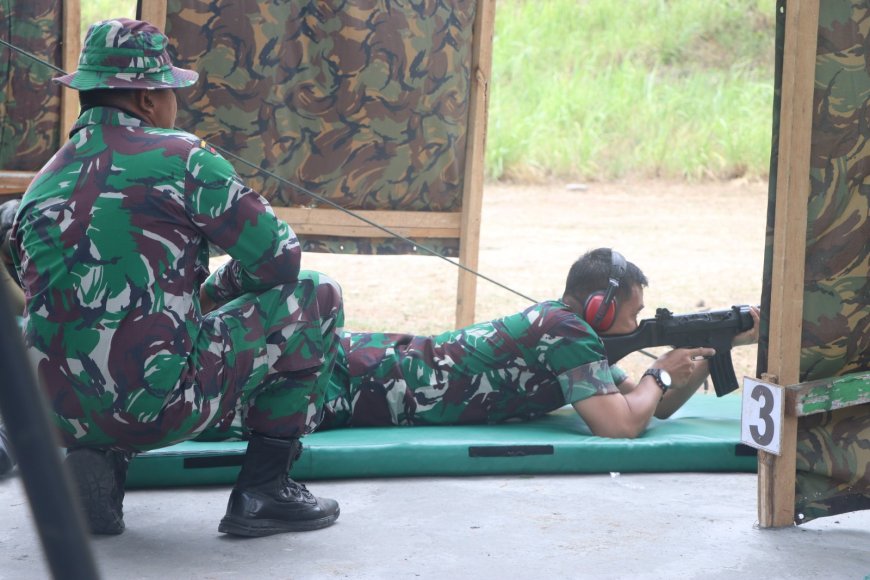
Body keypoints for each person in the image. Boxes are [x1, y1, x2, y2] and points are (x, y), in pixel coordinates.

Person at [10, 18, 344, 537]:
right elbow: (281, 262)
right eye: (170, 92)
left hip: (50, 410)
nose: (173, 105)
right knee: (316, 296)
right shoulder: (184, 157)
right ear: (147, 98)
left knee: (109, 338)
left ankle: (99, 458)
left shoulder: (41, 182)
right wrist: (223, 290)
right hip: (156, 405)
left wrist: (201, 298)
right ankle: (264, 491)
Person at [317, 248, 760, 437]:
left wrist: (714, 347)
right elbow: (620, 426)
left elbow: (651, 405)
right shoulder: (564, 330)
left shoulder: (574, 334)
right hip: (354, 377)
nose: (636, 322)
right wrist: (660, 372)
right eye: (633, 313)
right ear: (600, 309)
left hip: (370, 376)